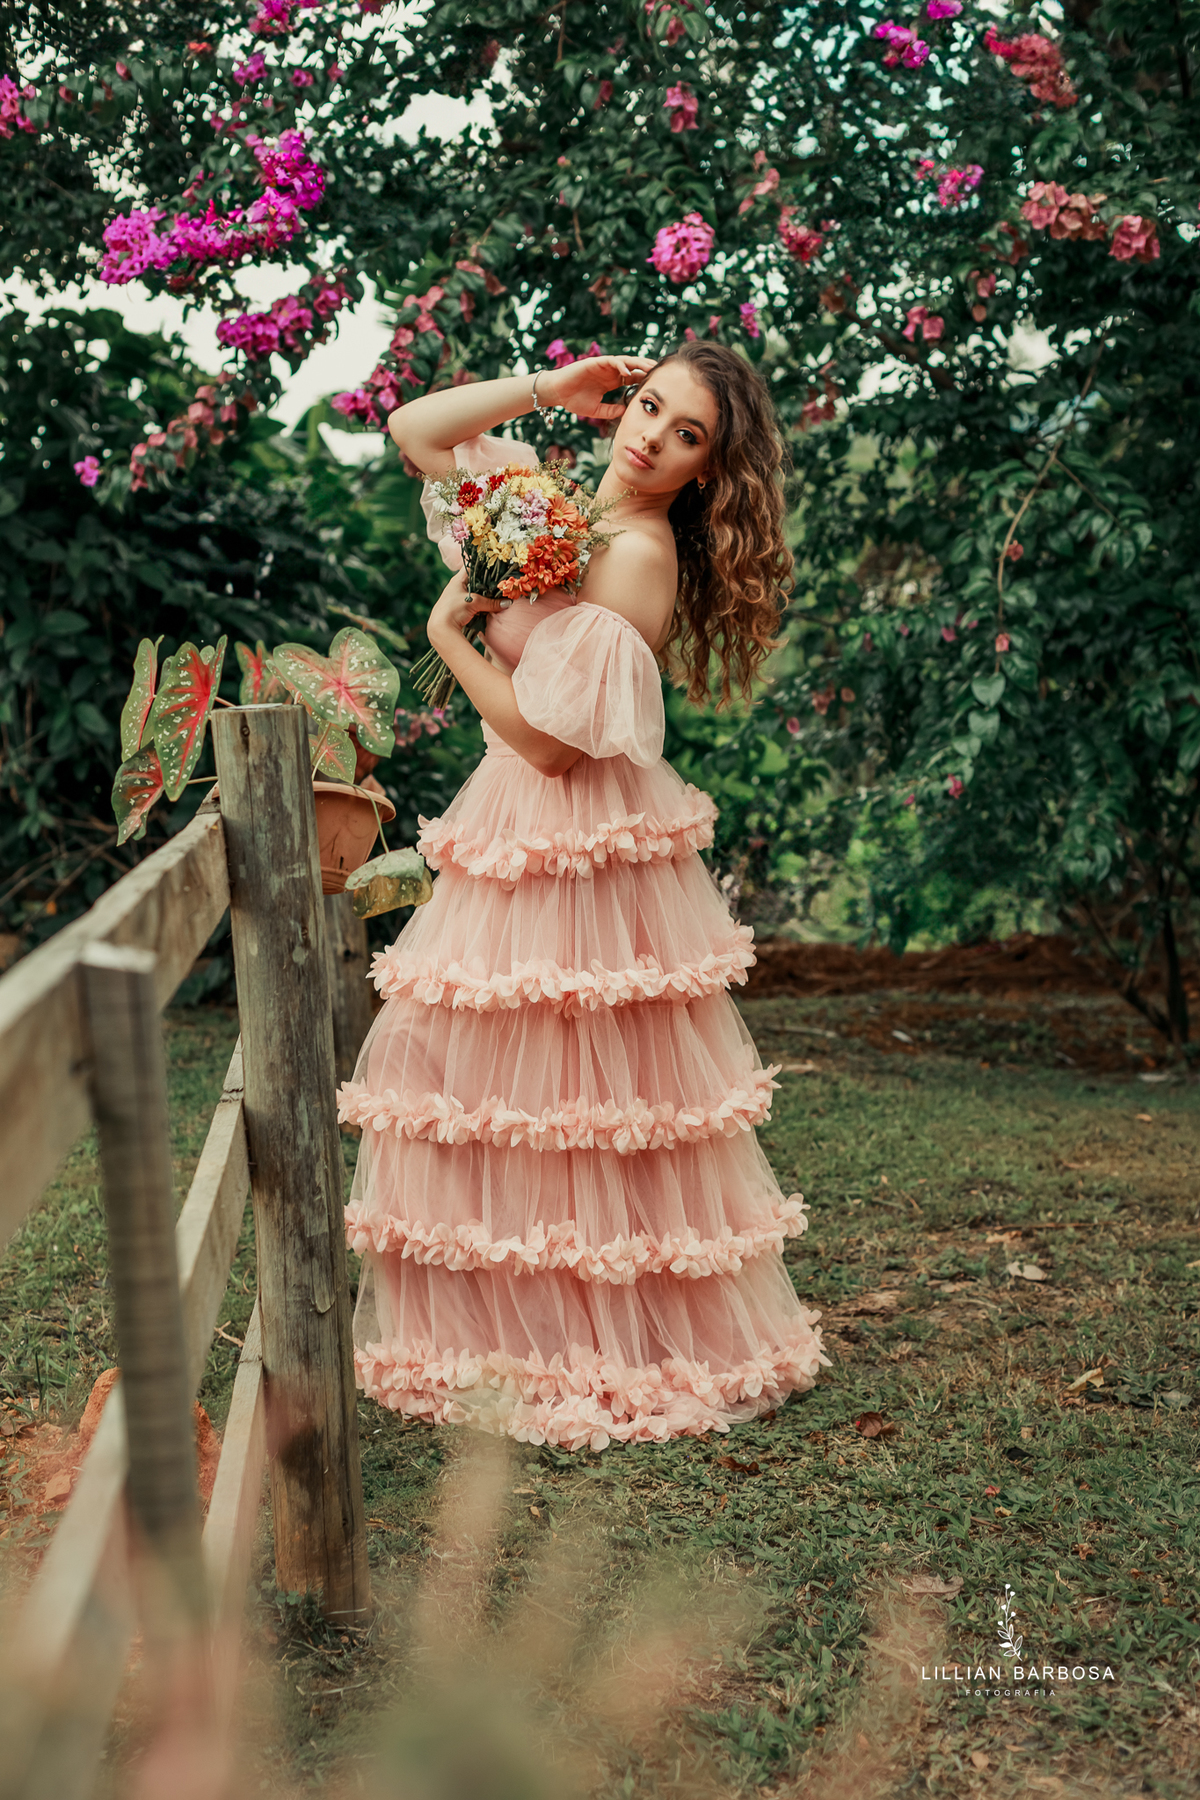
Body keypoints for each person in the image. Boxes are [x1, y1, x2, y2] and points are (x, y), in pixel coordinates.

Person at [336, 343, 828, 1451]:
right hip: (516, 830)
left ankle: (594, 1343)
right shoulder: (550, 503)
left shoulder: (640, 557)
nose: (649, 435)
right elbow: (417, 429)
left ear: (708, 469)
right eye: (649, 407)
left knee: (581, 1100)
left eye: (685, 433)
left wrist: (444, 636)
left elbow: (551, 750)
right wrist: (551, 390)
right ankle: (509, 1327)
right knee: (494, 1086)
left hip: (571, 835)